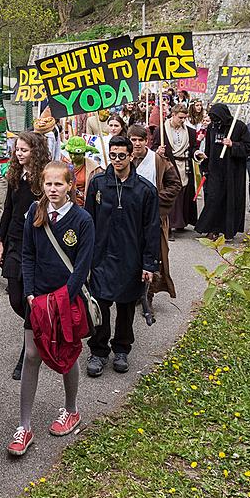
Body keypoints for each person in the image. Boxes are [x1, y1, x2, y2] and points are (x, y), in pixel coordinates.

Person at [7, 162, 94, 456]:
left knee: (67, 352)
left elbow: (82, 266)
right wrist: (30, 293)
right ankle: (24, 425)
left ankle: (71, 409)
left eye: (59, 184)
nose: (53, 189)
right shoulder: (35, 212)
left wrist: (64, 298)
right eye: (48, 184)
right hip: (39, 299)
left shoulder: (82, 220)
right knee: (32, 355)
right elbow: (28, 254)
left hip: (66, 300)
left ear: (70, 185)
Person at [84, 136, 160, 377]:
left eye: (121, 155)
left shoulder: (145, 190)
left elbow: (151, 228)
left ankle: (122, 348)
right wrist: (85, 259)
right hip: (101, 257)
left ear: (131, 156)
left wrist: (149, 263)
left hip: (131, 258)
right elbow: (88, 221)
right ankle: (98, 351)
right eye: (113, 155)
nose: (116, 160)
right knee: (100, 305)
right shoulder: (97, 184)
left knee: (126, 307)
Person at [0, 132, 49, 379]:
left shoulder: (43, 179)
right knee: (16, 298)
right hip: (15, 242)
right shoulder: (16, 175)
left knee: (30, 296)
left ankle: (26, 353)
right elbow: (8, 208)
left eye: (24, 149)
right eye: (17, 149)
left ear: (35, 151)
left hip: (35, 246)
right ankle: (40, 324)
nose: (19, 153)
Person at [130, 125, 181, 303]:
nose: (136, 143)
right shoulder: (122, 159)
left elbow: (175, 185)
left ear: (147, 141)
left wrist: (154, 200)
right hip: (129, 220)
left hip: (152, 218)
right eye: (133, 140)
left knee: (153, 257)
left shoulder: (158, 161)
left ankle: (148, 295)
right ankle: (132, 292)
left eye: (140, 140)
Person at [195, 103, 250, 241]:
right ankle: (211, 228)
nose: (215, 121)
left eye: (217, 118)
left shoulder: (238, 126)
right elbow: (209, 148)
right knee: (214, 198)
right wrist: (205, 166)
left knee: (229, 200)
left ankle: (225, 230)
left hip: (232, 171)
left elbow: (249, 147)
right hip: (215, 169)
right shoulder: (212, 127)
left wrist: (233, 144)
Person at [154, 105, 200, 231]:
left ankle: (181, 222)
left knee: (184, 193)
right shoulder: (161, 130)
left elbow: (193, 148)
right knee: (171, 193)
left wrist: (197, 154)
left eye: (185, 118)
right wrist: (158, 151)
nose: (182, 120)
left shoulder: (190, 131)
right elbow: (154, 147)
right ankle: (169, 225)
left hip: (185, 166)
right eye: (180, 117)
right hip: (169, 165)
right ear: (173, 115)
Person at [61, 137, 103, 206]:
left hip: (86, 205)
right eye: (71, 153)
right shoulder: (64, 165)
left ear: (83, 153)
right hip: (66, 205)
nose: (73, 156)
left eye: (76, 154)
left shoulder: (94, 168)